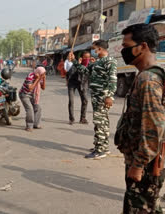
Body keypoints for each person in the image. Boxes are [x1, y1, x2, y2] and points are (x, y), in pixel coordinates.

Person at [116, 23, 165, 213]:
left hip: (146, 164)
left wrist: (138, 164)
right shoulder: (146, 76)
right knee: (151, 207)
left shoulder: (148, 80)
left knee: (139, 208)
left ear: (143, 46)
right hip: (146, 160)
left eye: (126, 47)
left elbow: (154, 127)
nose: (123, 51)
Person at [71, 40, 117, 159]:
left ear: (100, 49)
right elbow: (85, 71)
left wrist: (110, 96)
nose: (93, 51)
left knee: (100, 121)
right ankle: (102, 146)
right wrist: (74, 62)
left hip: (102, 96)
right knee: (102, 122)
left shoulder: (109, 61)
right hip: (96, 96)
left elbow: (112, 80)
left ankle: (100, 150)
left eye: (94, 48)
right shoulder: (98, 62)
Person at [19, 66, 46, 132]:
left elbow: (43, 88)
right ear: (38, 72)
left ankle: (36, 124)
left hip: (33, 95)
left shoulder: (41, 77)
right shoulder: (30, 76)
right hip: (24, 94)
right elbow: (30, 88)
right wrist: (38, 79)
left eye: (44, 74)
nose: (43, 75)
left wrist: (44, 79)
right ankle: (29, 126)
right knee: (29, 109)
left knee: (38, 108)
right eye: (42, 74)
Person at [66, 51, 90, 125]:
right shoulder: (75, 63)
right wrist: (77, 63)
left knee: (85, 100)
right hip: (72, 83)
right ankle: (71, 119)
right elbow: (69, 72)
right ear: (81, 57)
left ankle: (82, 118)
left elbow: (87, 73)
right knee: (71, 101)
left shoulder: (89, 64)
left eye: (88, 57)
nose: (87, 59)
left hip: (83, 83)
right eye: (85, 57)